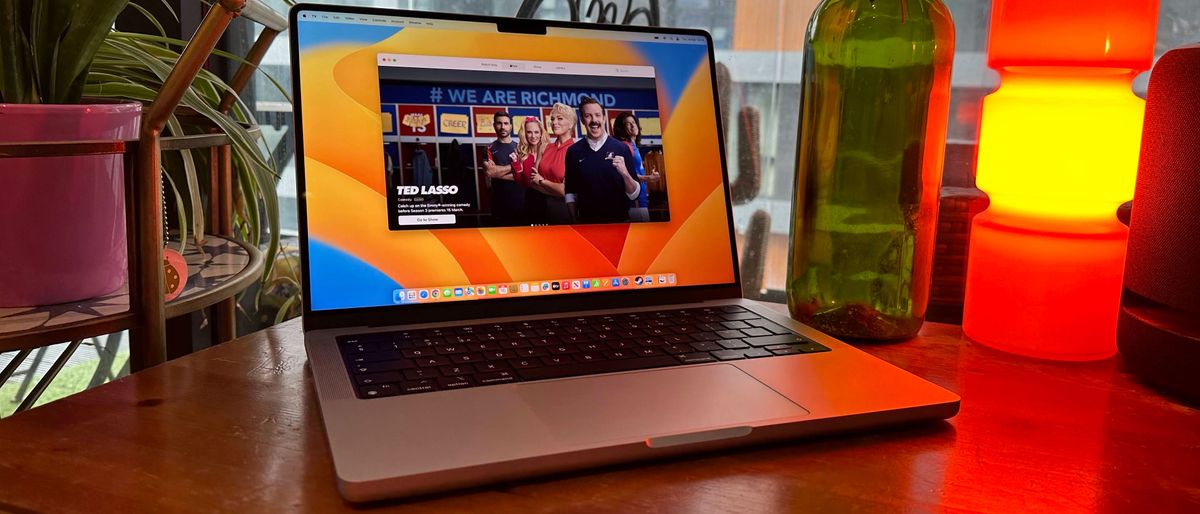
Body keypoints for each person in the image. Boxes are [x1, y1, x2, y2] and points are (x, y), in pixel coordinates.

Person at [564, 97, 639, 223]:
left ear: (604, 118)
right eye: (588, 116)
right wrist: (574, 222)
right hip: (587, 225)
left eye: (598, 115)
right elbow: (571, 192)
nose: (594, 120)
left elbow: (634, 194)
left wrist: (625, 173)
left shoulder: (622, 148)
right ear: (582, 120)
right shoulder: (573, 152)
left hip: (619, 223)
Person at [527, 102, 577, 225]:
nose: (554, 122)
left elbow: (564, 190)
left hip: (563, 210)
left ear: (571, 124)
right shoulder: (544, 147)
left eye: (559, 119)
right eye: (553, 119)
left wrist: (542, 181)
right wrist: (554, 188)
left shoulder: (576, 150)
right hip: (539, 207)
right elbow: (532, 181)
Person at [612, 111, 661, 222]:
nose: (633, 125)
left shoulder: (633, 145)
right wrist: (649, 178)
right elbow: (624, 175)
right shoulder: (625, 146)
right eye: (628, 124)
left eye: (633, 122)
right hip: (634, 203)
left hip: (642, 200)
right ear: (621, 128)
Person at [482, 111, 523, 225]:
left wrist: (498, 172)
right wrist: (515, 166)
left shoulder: (520, 148)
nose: (502, 127)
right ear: (494, 125)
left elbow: (525, 175)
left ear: (510, 126)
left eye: (506, 123)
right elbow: (490, 172)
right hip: (500, 204)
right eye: (499, 123)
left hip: (522, 202)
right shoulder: (489, 149)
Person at [509, 117, 549, 223]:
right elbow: (520, 181)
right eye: (529, 132)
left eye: (536, 132)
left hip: (550, 200)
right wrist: (516, 163)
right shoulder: (523, 156)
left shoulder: (549, 152)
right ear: (525, 134)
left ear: (541, 133)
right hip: (531, 200)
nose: (533, 136)